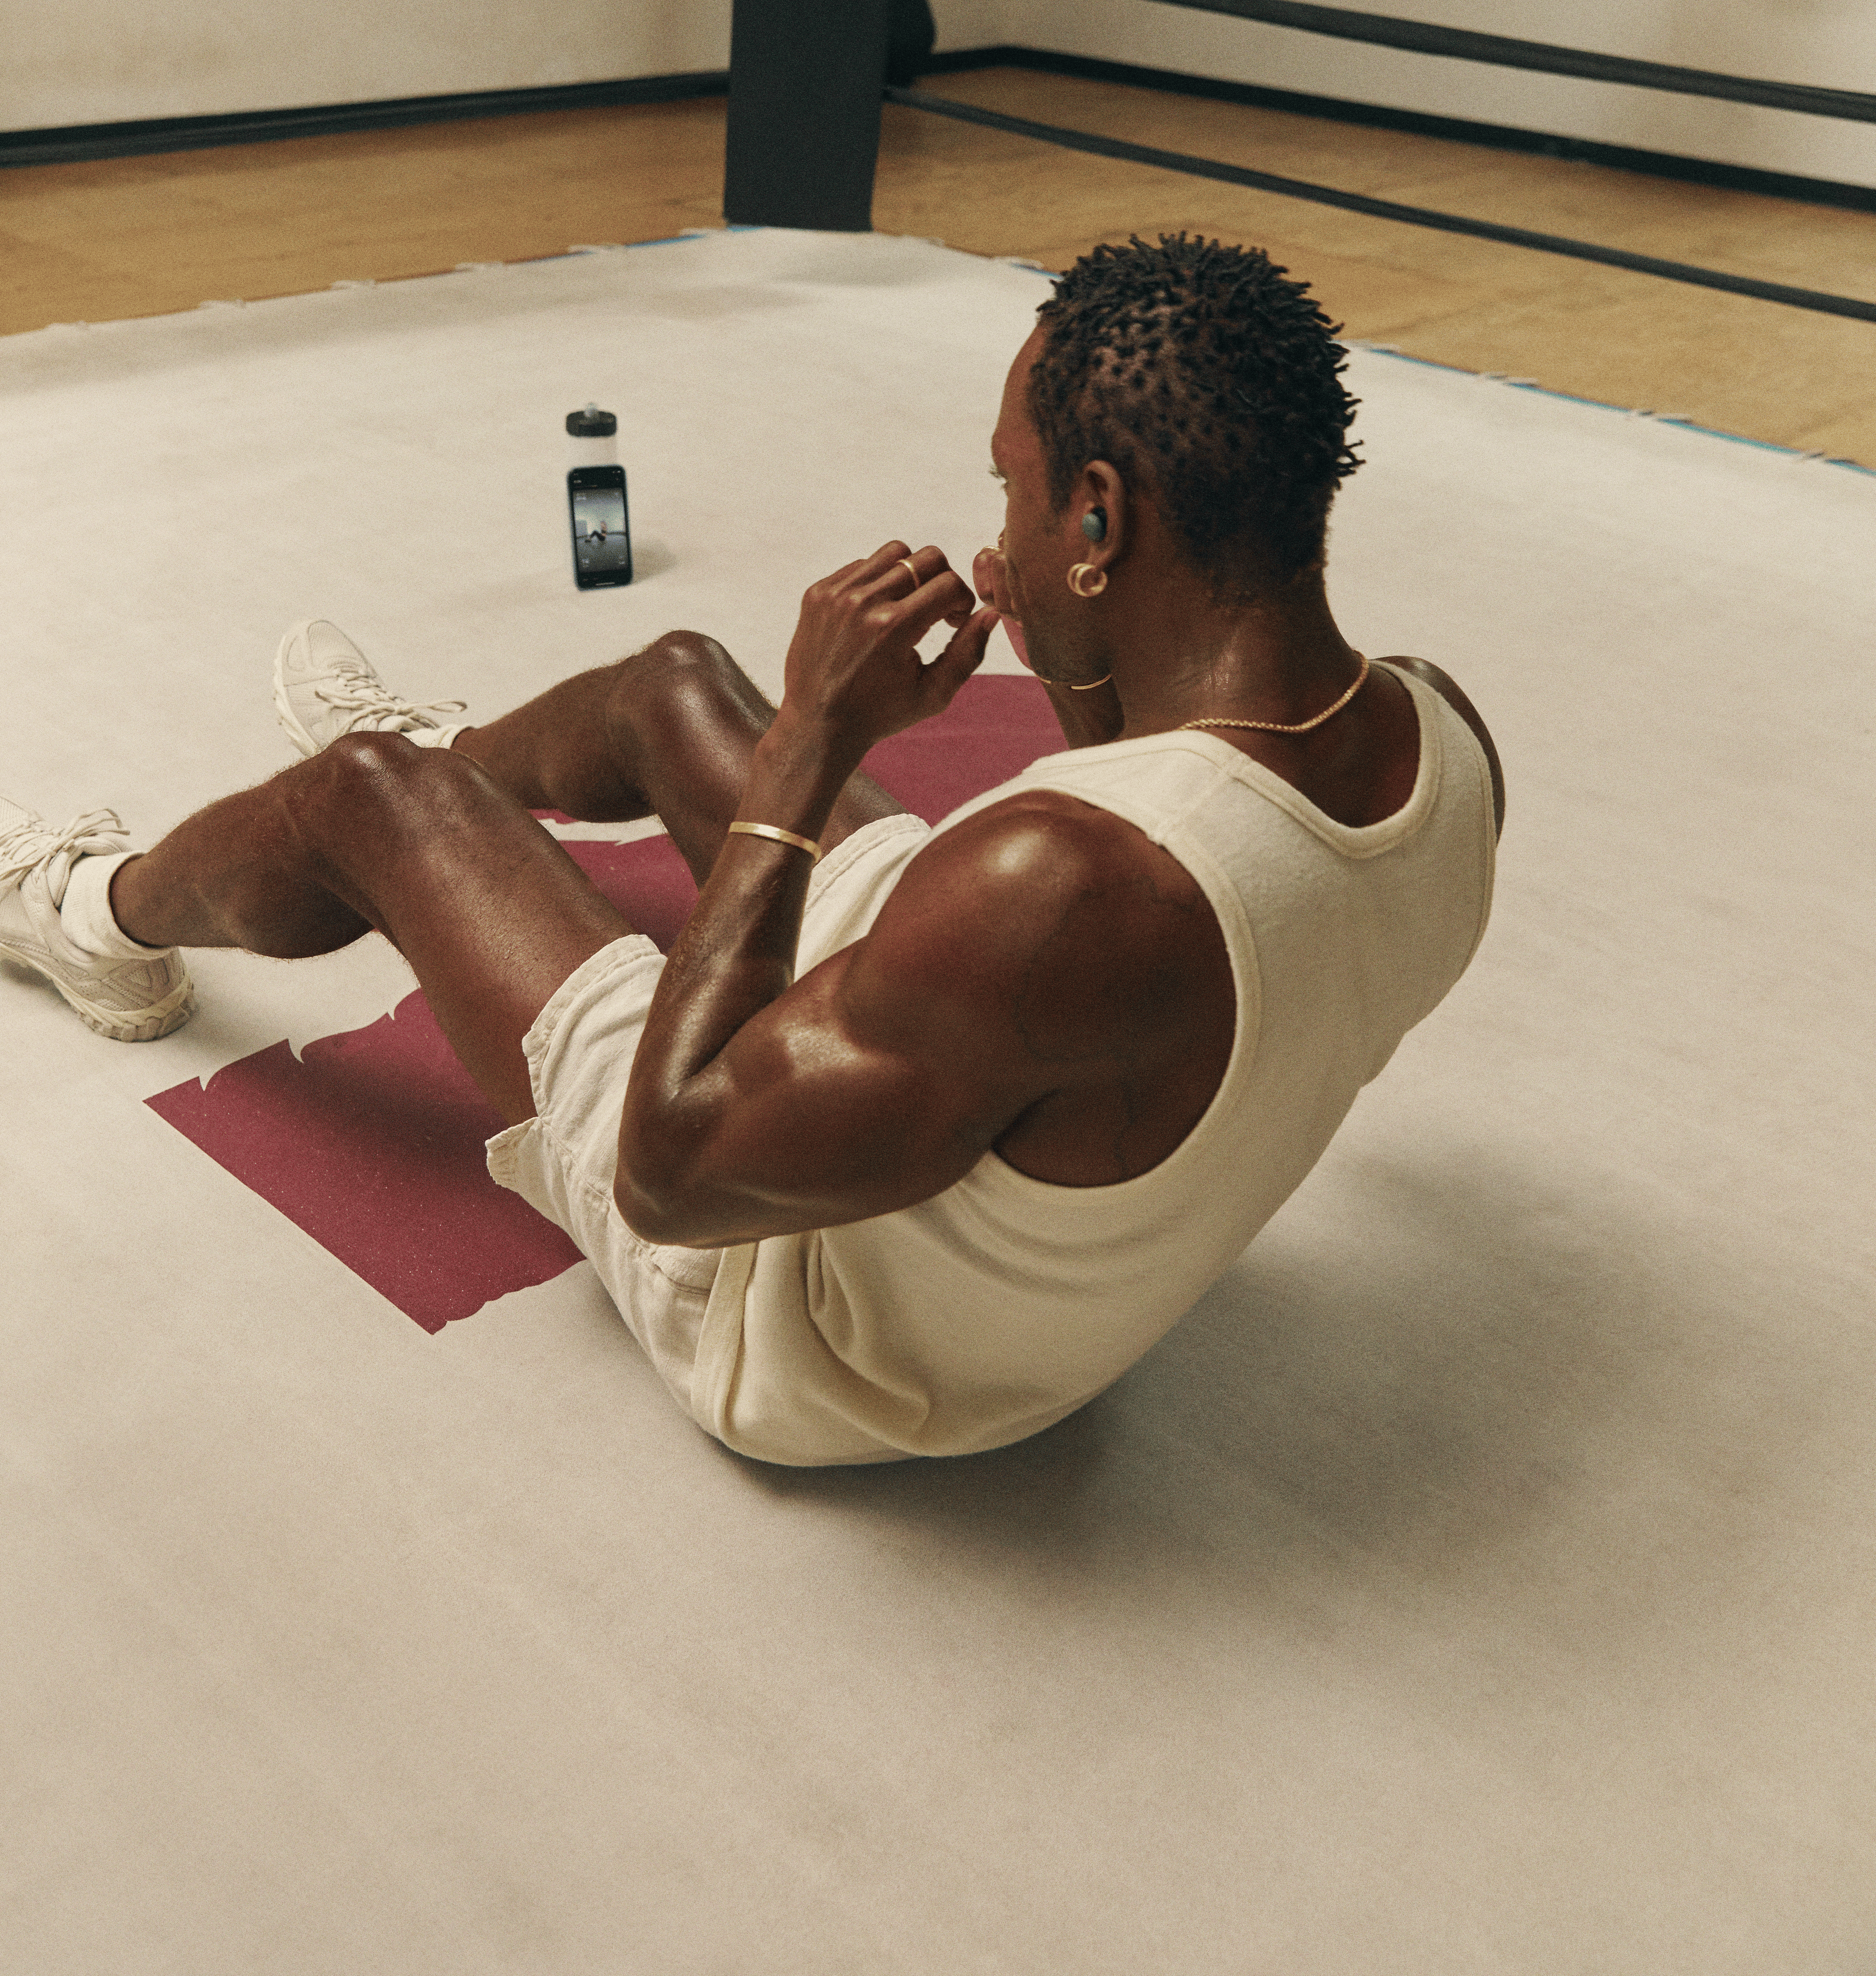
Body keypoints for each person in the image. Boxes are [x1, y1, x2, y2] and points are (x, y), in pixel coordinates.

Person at [0, 234, 1501, 1467]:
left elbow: (671, 1169)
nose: (1002, 542)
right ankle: (474, 803)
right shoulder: (1444, 745)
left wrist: (811, 755)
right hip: (1007, 1075)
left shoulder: (1070, 883)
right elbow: (1198, 889)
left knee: (367, 791)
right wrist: (1037, 658)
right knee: (670, 682)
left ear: (1100, 518)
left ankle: (107, 919)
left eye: (1015, 494)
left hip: (802, 1317)